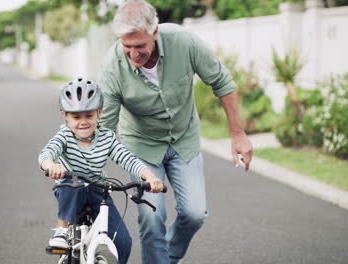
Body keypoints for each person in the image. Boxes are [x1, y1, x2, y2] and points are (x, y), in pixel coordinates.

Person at [97, 0, 254, 263]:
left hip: (184, 141)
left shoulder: (184, 42)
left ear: (155, 33)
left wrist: (237, 133)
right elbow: (106, 127)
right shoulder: (112, 66)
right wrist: (91, 167)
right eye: (127, 47)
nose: (134, 54)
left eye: (140, 46)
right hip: (141, 145)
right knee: (151, 215)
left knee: (194, 214)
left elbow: (222, 82)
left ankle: (164, 258)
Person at [38, 78, 164, 264]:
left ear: (99, 113)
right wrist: (51, 165)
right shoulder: (64, 136)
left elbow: (127, 158)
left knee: (122, 243)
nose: (83, 122)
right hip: (71, 189)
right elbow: (46, 154)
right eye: (76, 117)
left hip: (99, 191)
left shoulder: (107, 137)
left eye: (89, 116)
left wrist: (150, 176)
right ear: (65, 116)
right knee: (73, 186)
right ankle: (62, 229)